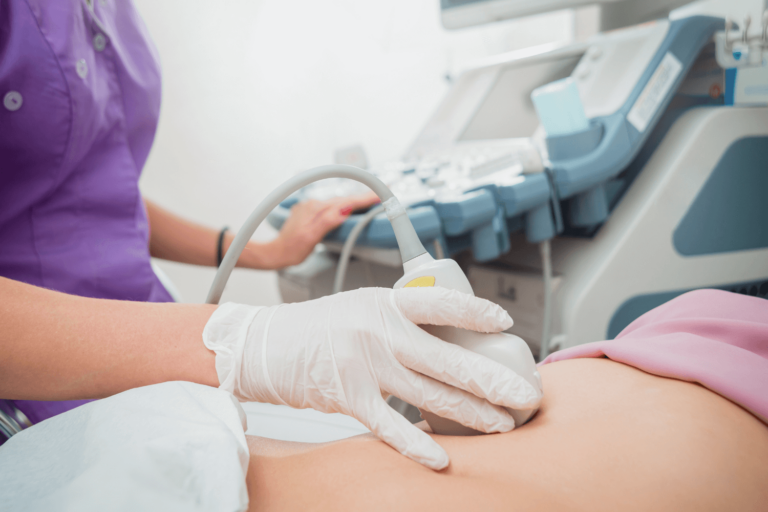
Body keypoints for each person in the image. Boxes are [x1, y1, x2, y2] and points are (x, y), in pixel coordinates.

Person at [0, 0, 542, 468]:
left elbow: (81, 187)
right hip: (41, 382)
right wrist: (244, 342)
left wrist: (265, 252)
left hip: (156, 341)